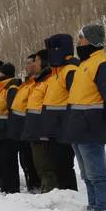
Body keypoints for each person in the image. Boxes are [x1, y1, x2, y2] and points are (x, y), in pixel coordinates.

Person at [64, 24, 106, 211]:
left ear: (91, 40)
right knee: (87, 176)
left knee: (97, 175)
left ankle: (103, 210)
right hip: (77, 127)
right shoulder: (84, 64)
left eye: (81, 39)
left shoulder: (103, 63)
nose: (78, 43)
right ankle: (93, 207)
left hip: (91, 127)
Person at [41, 33, 79, 191]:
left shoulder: (70, 70)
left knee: (65, 166)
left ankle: (70, 194)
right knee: (57, 165)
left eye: (52, 49)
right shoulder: (55, 74)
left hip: (64, 128)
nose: (49, 53)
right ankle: (64, 194)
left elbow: (76, 99)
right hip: (53, 129)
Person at [22, 48, 57, 192]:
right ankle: (45, 191)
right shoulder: (39, 81)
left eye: (36, 60)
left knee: (46, 167)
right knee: (39, 166)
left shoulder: (48, 80)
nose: (34, 64)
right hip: (34, 130)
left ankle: (50, 194)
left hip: (43, 132)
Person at [7, 53, 41, 192]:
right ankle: (31, 186)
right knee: (25, 161)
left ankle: (36, 187)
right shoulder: (25, 84)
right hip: (20, 130)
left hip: (31, 130)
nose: (26, 66)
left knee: (33, 162)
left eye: (29, 63)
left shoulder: (37, 83)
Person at [0, 63, 21, 193]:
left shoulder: (11, 88)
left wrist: (10, 129)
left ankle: (11, 188)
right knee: (1, 160)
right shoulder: (1, 88)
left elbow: (12, 109)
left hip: (6, 131)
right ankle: (4, 186)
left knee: (9, 160)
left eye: (0, 73)